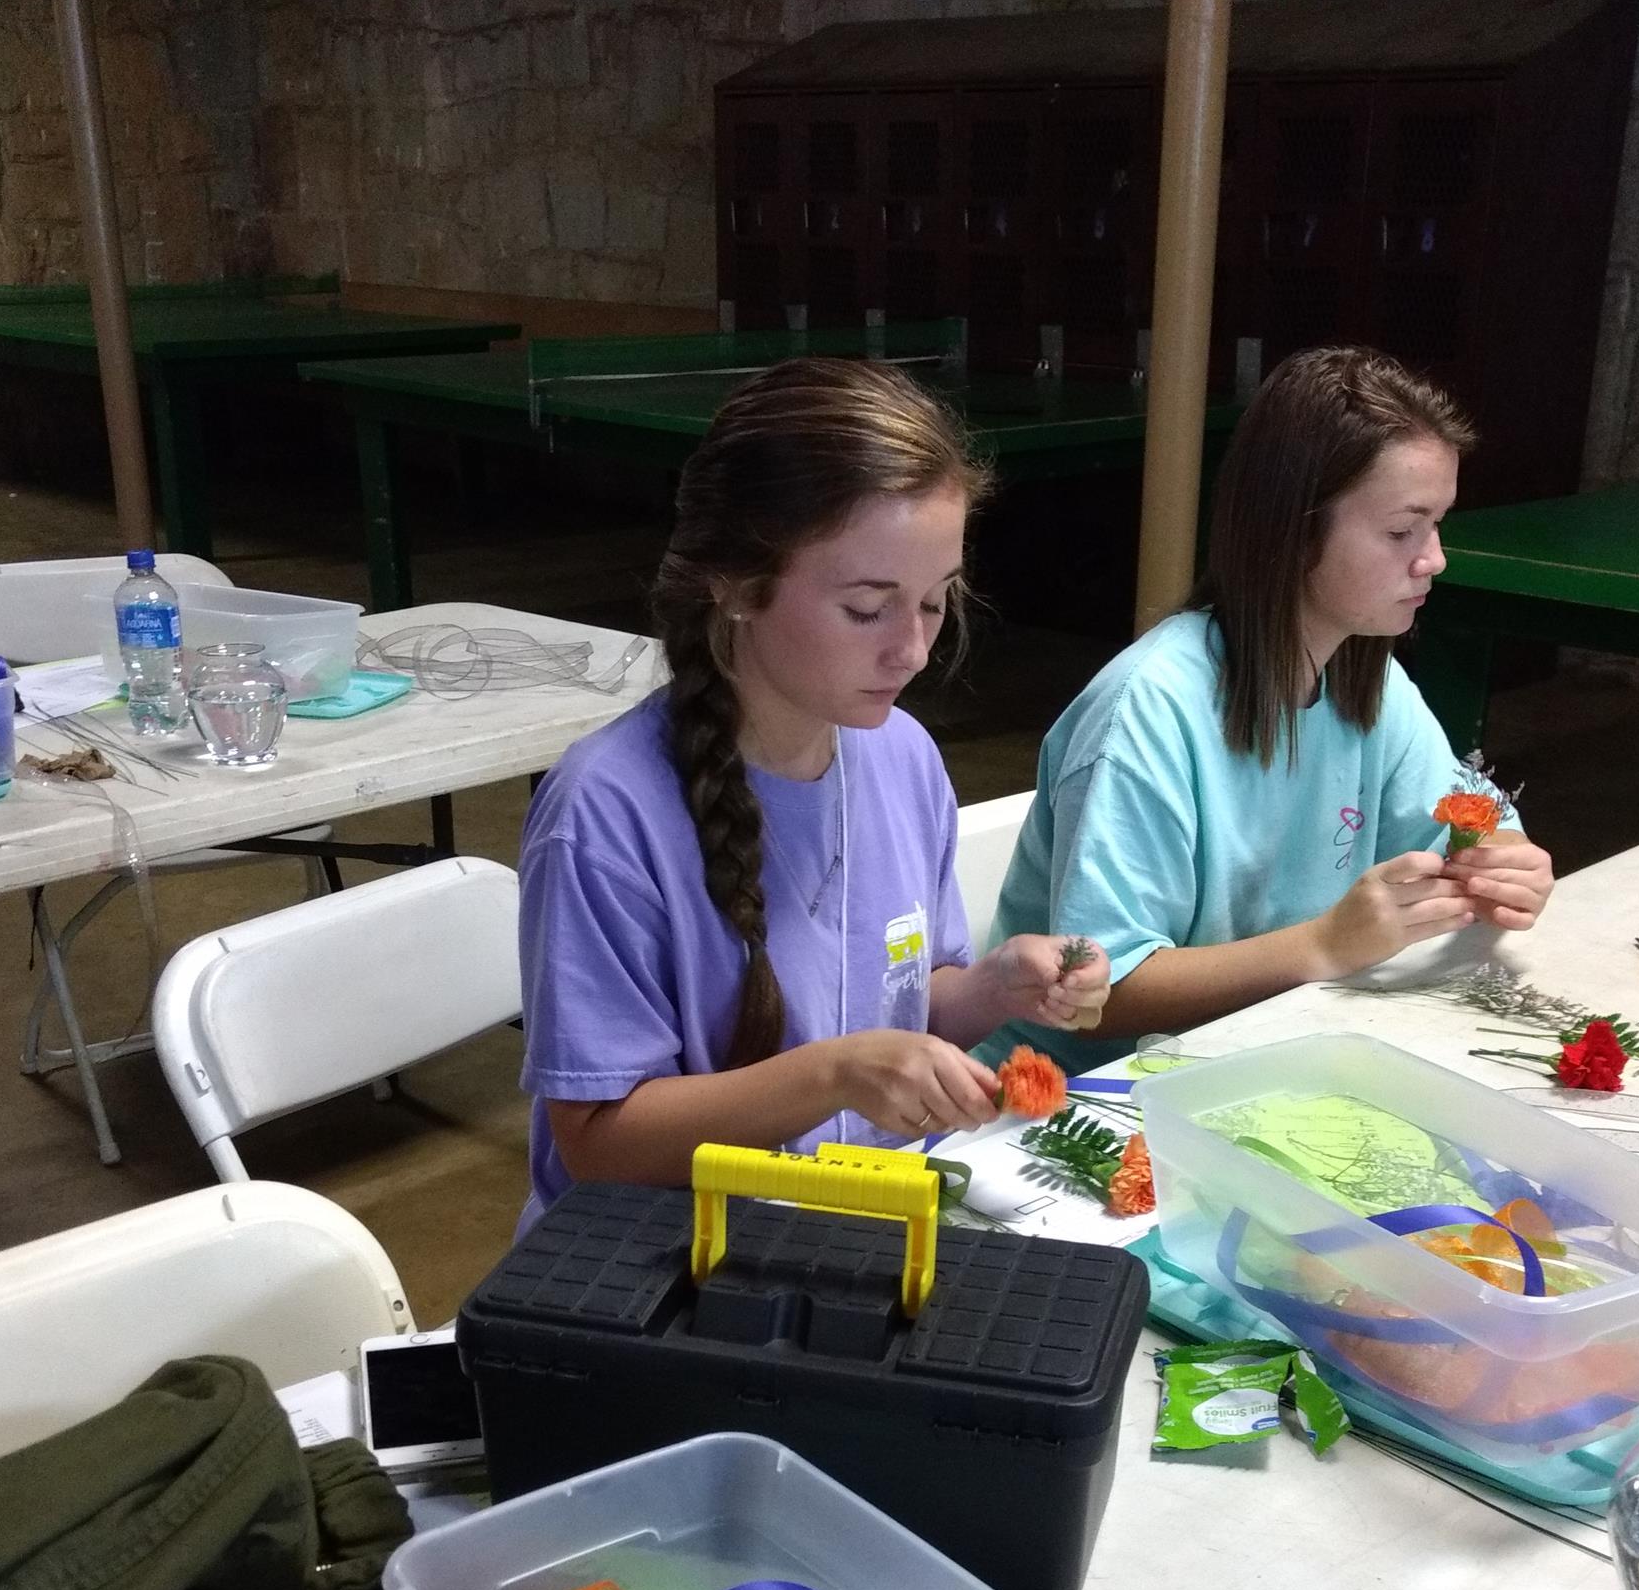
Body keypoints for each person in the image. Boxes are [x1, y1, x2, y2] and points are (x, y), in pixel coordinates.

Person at [515, 355, 1107, 1227]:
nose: (913, 650)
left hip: (848, 1229)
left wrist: (992, 988)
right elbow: (602, 1146)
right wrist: (833, 1073)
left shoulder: (901, 757)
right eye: (867, 608)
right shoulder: (605, 813)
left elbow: (899, 997)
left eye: (935, 602)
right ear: (736, 584)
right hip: (658, 1258)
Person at [987, 347, 1554, 1072]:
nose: (1434, 558)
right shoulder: (1149, 710)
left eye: (1438, 523)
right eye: (1401, 531)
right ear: (1294, 529)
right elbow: (1102, 994)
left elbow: (1466, 820)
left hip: (1250, 1056)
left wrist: (1505, 862)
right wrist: (1323, 945)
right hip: (1071, 1096)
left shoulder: (1365, 676)